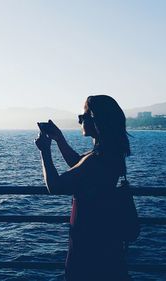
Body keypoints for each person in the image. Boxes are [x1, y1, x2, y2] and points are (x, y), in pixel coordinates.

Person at [35, 95, 133, 281]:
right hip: (106, 243)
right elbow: (79, 165)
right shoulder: (108, 154)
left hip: (89, 247)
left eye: (83, 116)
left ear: (96, 120)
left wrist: (45, 152)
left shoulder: (95, 160)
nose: (79, 120)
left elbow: (55, 186)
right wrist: (59, 139)